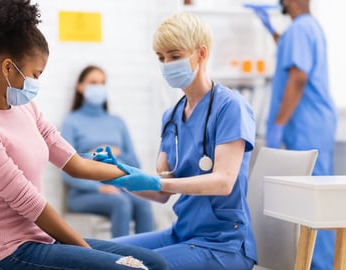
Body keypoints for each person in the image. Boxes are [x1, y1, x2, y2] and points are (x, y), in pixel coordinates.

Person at [0, 0, 167, 269]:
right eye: (35, 74)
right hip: (11, 254)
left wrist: (134, 175)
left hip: (44, 240)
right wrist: (89, 252)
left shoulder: (26, 109)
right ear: (8, 68)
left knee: (155, 263)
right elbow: (31, 205)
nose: (36, 83)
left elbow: (76, 164)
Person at [93, 12, 258, 270]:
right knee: (95, 253)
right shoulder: (171, 118)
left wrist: (157, 181)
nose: (167, 64)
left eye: (175, 55)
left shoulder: (230, 107)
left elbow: (223, 182)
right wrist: (121, 176)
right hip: (181, 234)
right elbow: (161, 192)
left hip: (222, 244)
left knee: (127, 267)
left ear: (201, 54)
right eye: (161, 57)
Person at [248, 1, 338, 269]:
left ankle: (319, 265)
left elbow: (298, 78)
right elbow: (294, 57)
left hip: (305, 124)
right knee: (314, 199)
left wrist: (278, 123)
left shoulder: (299, 30)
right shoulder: (308, 27)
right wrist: (273, 34)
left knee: (314, 204)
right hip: (316, 123)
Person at [61, 65, 155, 238]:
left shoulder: (117, 122)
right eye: (93, 82)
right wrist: (99, 185)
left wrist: (117, 153)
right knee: (121, 203)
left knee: (143, 204)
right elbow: (67, 170)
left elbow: (134, 164)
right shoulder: (71, 122)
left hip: (119, 189)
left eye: (102, 83)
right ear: (80, 87)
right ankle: (120, 261)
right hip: (84, 194)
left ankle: (148, 258)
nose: (99, 87)